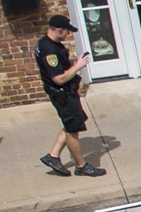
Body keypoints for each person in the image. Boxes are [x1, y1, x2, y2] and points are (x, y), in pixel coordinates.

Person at [32, 10, 101, 179]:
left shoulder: (49, 44)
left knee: (73, 123)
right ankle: (81, 166)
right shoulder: (49, 50)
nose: (68, 34)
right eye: (67, 31)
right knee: (72, 129)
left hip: (66, 93)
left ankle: (53, 156)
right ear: (59, 30)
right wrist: (78, 66)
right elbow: (59, 78)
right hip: (61, 93)